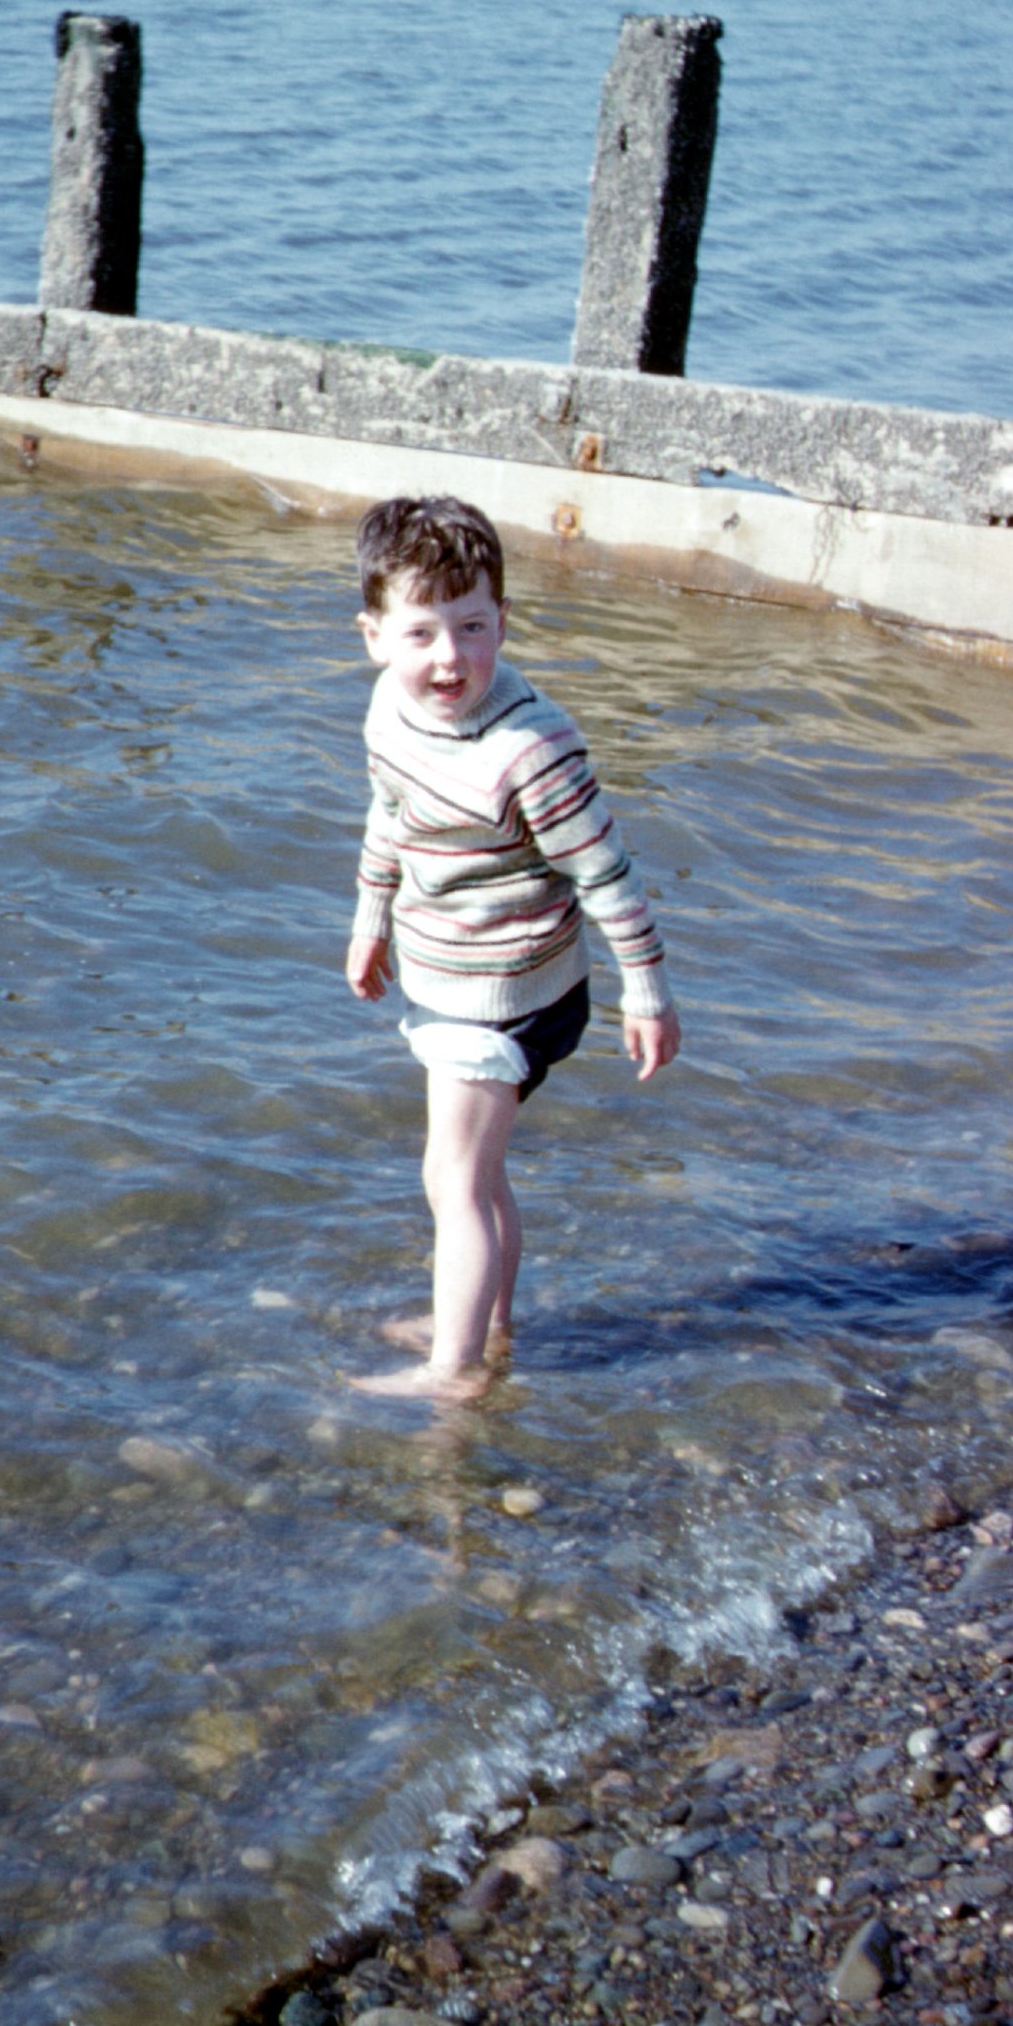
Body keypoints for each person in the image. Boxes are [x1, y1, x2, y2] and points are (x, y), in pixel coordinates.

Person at [345, 495, 680, 1399]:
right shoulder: (390, 710)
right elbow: (390, 814)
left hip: (510, 988)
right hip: (447, 971)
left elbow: (608, 872)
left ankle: (453, 1373)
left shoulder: (532, 747)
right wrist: (371, 919)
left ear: (503, 619)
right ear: (374, 638)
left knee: (451, 1175)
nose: (450, 657)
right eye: (422, 633)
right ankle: (487, 1325)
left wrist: (646, 990)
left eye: (472, 627)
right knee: (479, 1173)